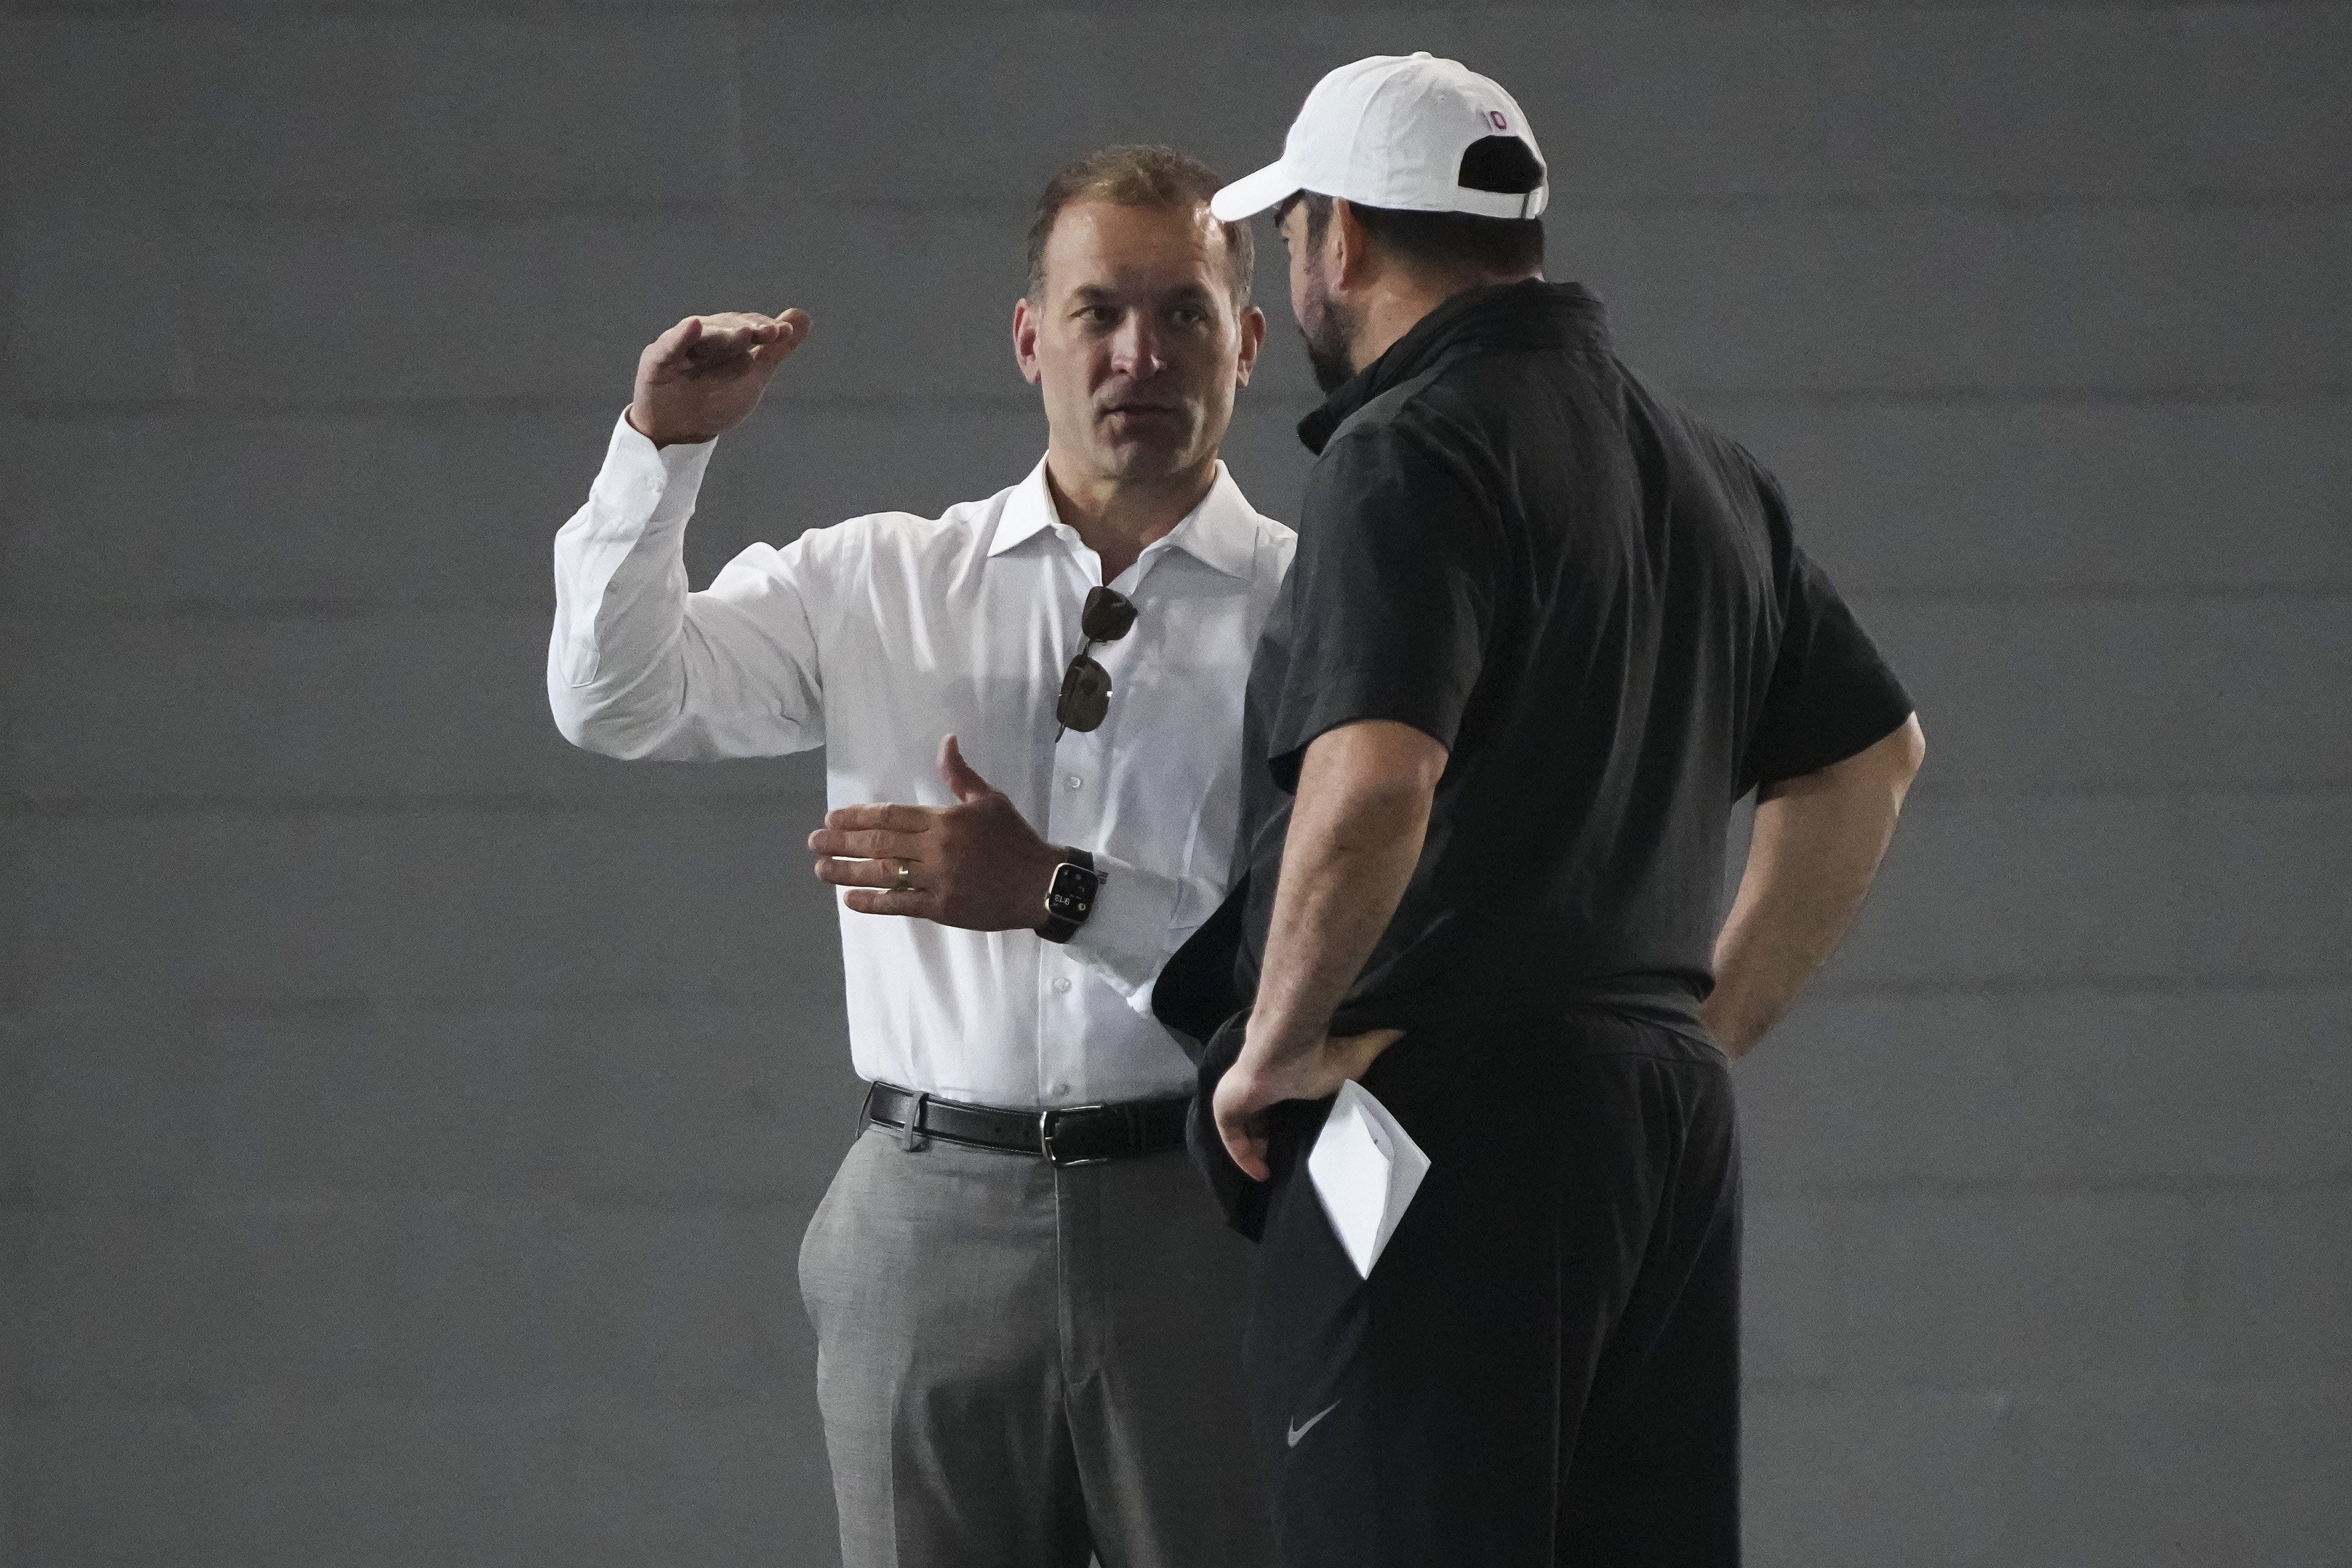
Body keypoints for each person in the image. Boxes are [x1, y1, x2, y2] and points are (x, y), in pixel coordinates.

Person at [1152, 55, 1928, 1566]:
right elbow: (1866, 761)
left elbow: (1374, 777)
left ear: (1344, 242)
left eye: (1295, 233)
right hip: (1655, 1131)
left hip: (1438, 1114)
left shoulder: (1410, 446)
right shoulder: (1704, 471)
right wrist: (1692, 1030)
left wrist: (1275, 1043)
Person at [546, 146, 1292, 1568]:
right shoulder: (878, 579)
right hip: (929, 1210)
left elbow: (1345, 946)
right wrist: (663, 453)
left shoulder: (1319, 608)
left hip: (1207, 1210)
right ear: (1030, 340)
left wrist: (1061, 896)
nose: (1140, 352)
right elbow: (616, 699)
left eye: (1183, 313)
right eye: (1097, 312)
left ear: (1246, 343)